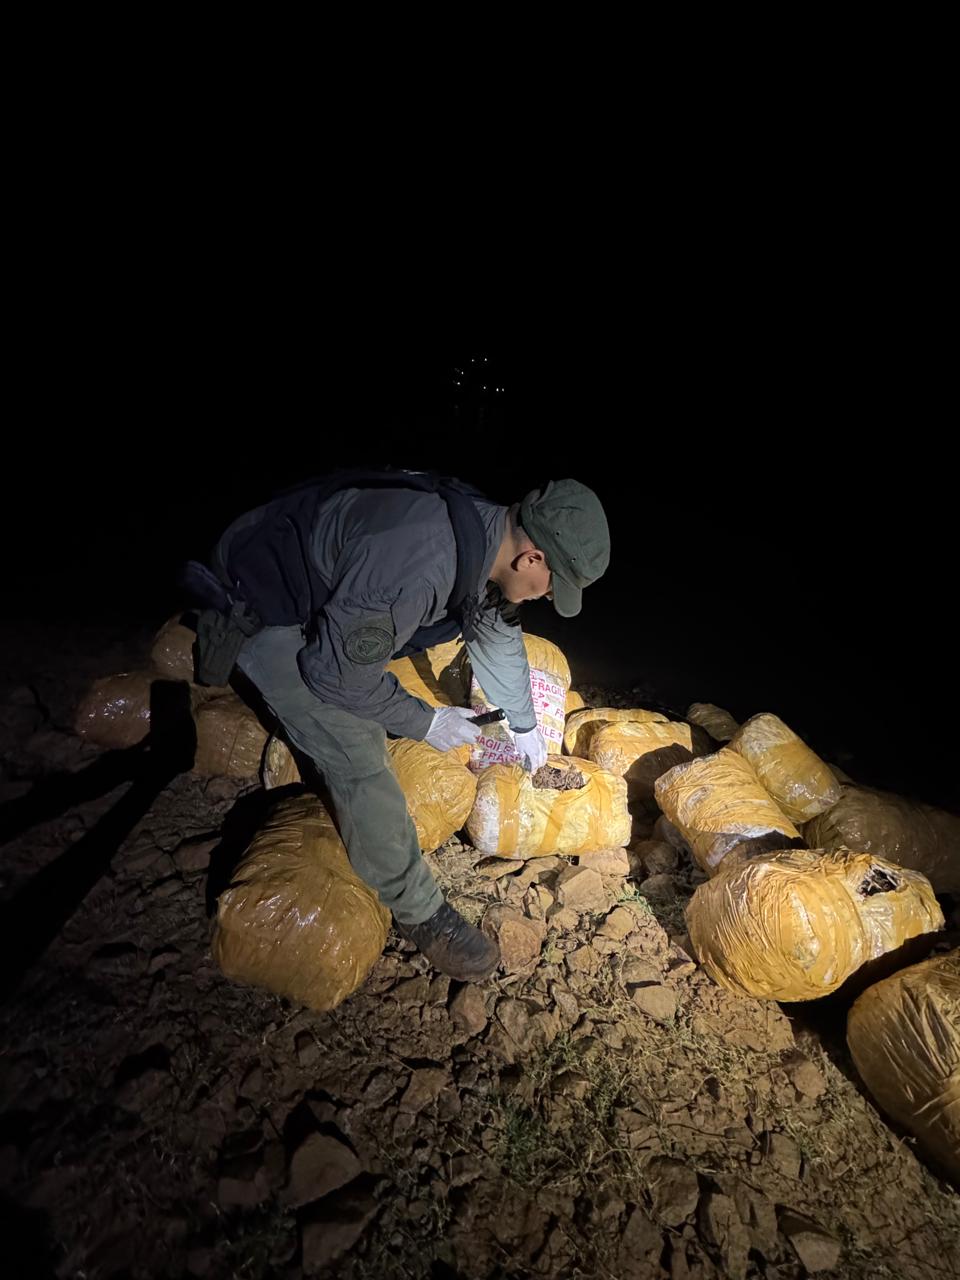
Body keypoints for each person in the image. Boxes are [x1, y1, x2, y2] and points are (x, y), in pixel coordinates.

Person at [188, 472, 610, 981]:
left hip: (324, 591)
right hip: (259, 603)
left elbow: (495, 632)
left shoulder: (488, 535)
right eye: (553, 587)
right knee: (358, 746)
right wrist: (426, 722)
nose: (547, 597)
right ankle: (421, 912)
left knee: (373, 684)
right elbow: (334, 674)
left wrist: (525, 726)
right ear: (531, 559)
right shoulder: (423, 563)